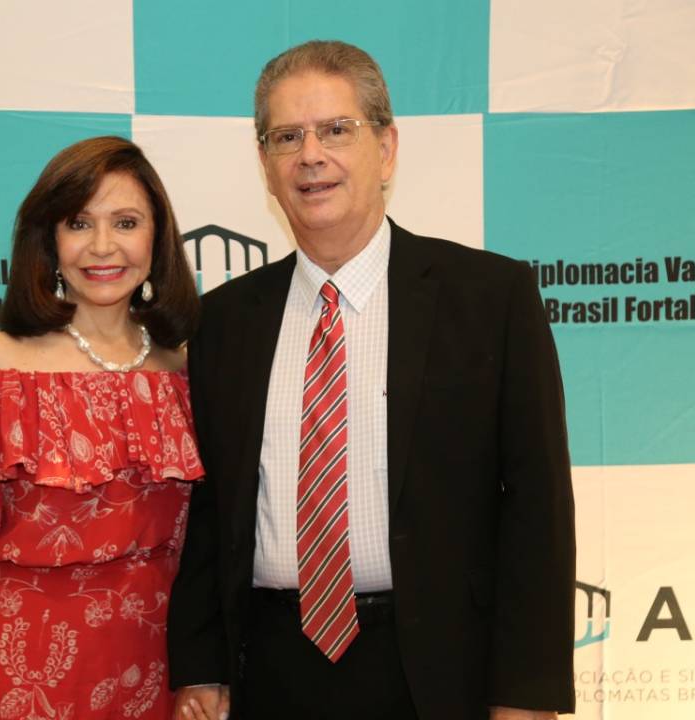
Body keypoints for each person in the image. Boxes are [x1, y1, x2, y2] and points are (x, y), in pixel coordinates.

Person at [167, 40, 575, 720]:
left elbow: (538, 508)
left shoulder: (490, 298)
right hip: (269, 668)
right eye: (286, 137)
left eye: (336, 130)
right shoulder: (224, 320)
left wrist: (527, 695)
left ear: (385, 148)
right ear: (265, 165)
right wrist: (201, 665)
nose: (310, 155)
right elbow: (210, 514)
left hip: (439, 671)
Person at [0, 136, 203, 720]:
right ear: (49, 242)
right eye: (79, 223)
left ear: (157, 241)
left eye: (126, 222)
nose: (102, 245)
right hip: (20, 676)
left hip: (158, 674)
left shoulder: (183, 371)